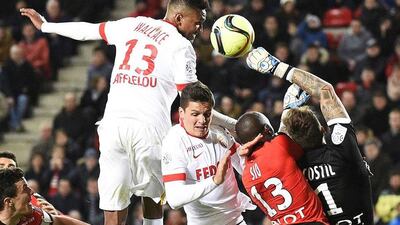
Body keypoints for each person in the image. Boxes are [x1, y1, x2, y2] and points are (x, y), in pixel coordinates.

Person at [20, 1, 238, 225]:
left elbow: (88, 30)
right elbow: (194, 105)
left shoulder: (133, 24)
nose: (199, 30)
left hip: (113, 126)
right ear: (180, 18)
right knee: (153, 198)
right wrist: (234, 125)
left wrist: (47, 27)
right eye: (198, 23)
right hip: (150, 129)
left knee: (113, 207)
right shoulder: (181, 47)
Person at [245, 47, 374, 224]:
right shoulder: (343, 148)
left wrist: (287, 113)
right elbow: (326, 92)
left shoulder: (290, 163)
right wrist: (276, 67)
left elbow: (279, 142)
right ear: (323, 129)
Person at [161, 82, 255, 225]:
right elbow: (175, 199)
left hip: (237, 221)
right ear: (181, 113)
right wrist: (214, 181)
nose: (202, 120)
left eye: (207, 114)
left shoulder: (218, 132)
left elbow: (245, 169)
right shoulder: (174, 142)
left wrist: (248, 158)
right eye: (195, 114)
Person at [235, 110, 328, 224]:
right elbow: (303, 150)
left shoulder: (246, 176)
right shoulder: (279, 143)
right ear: (267, 129)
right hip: (311, 221)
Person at [0, 167, 90, 225]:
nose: (32, 191)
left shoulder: (31, 216)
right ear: (9, 202)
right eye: (25, 189)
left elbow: (60, 221)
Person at [0, 151, 57, 216]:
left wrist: (52, 216)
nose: (6, 169)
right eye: (1, 167)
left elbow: (56, 217)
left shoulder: (31, 198)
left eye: (11, 167)